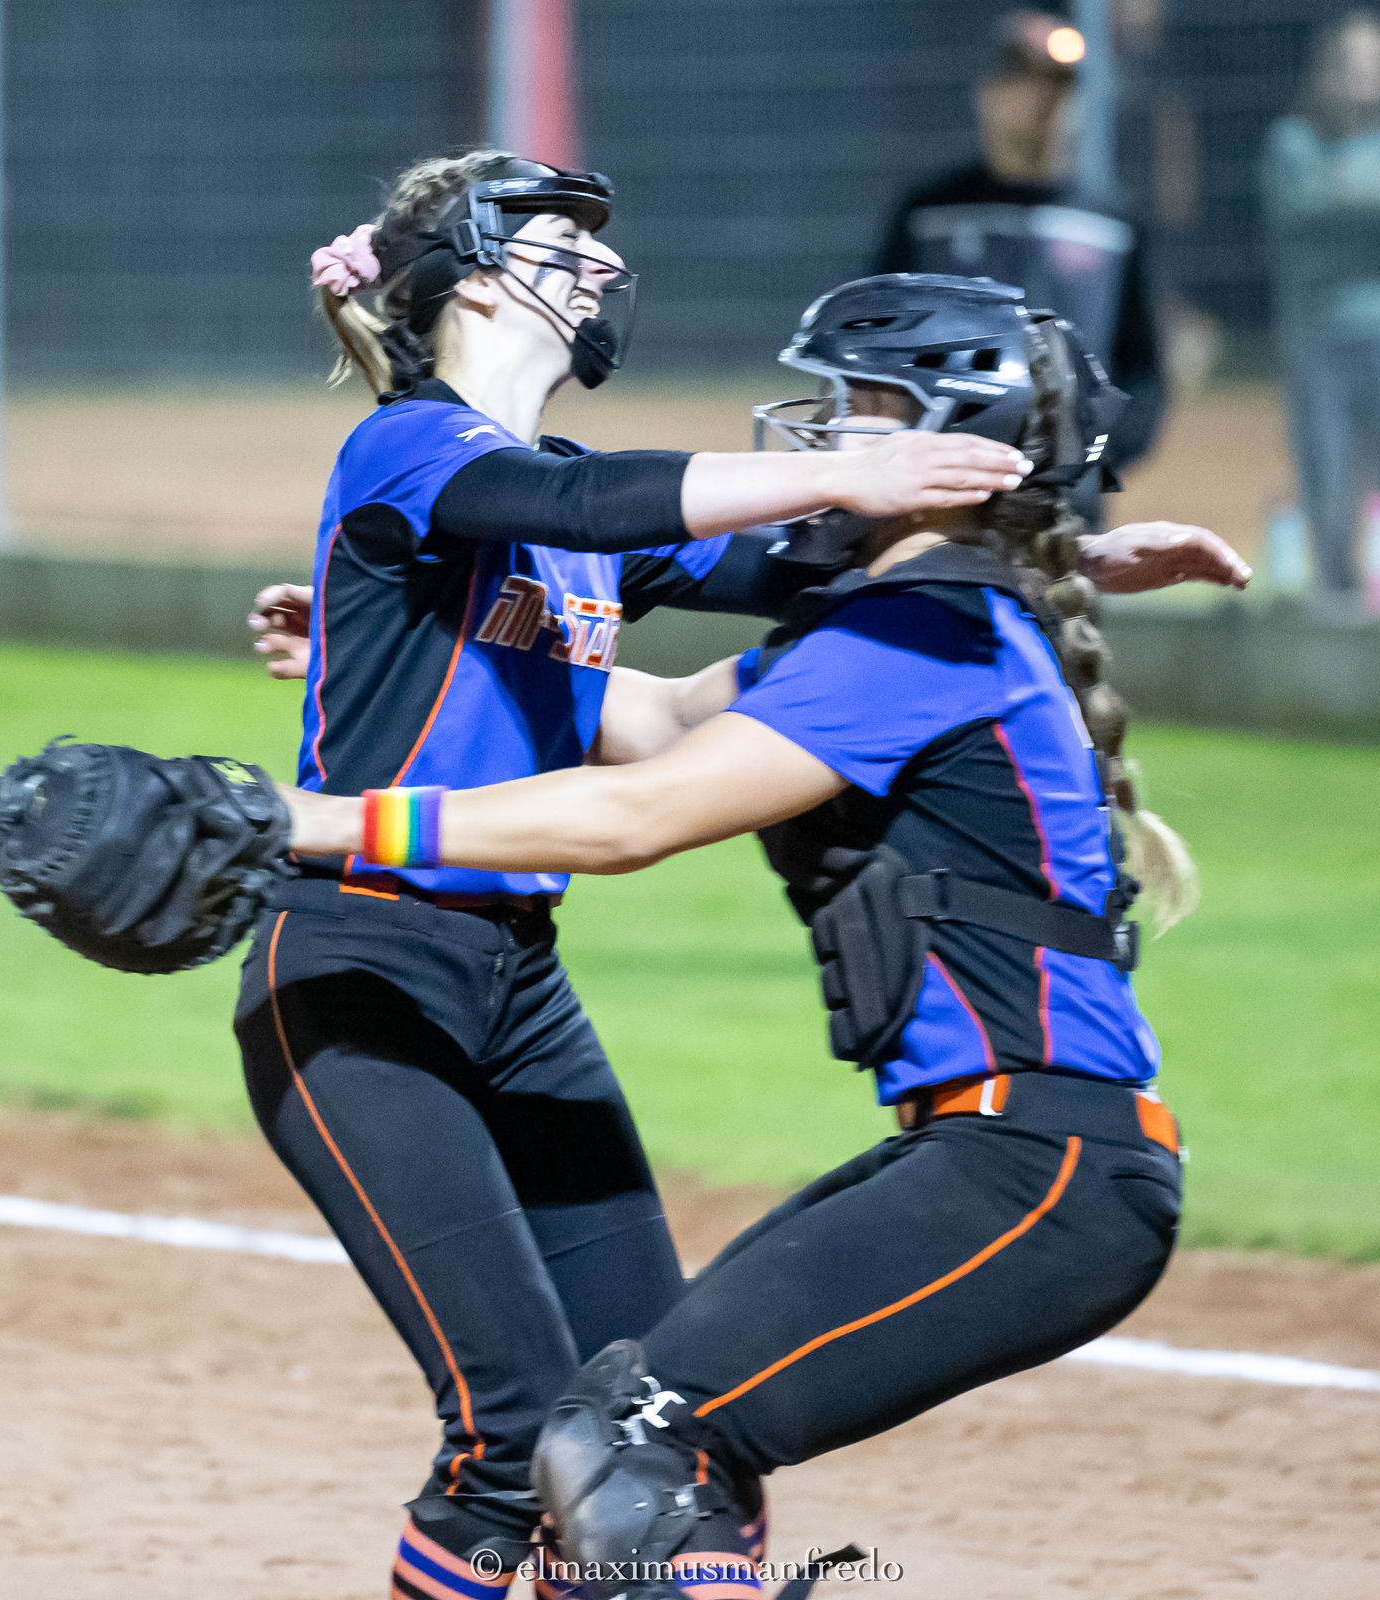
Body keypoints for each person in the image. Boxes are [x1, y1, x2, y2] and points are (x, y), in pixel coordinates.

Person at [279, 274, 1249, 1597]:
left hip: (1039, 1170)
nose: (819, 433)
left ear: (947, 445)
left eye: (859, 410)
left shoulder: (923, 635)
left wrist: (310, 822)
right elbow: (664, 721)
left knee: (639, 1447)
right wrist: (414, 627)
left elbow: (635, 815)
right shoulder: (903, 626)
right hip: (1005, 1154)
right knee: (609, 1439)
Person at [234, 149, 1036, 1599]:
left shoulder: (560, 506)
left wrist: (1081, 560)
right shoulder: (410, 449)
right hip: (358, 969)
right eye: (565, 244)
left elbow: (836, 577)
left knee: (642, 1421)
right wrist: (849, 460)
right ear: (475, 271)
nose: (604, 267)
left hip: (515, 984)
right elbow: (610, 503)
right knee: (508, 1430)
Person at [875, 9, 1166, 495]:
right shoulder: (929, 216)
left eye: (1059, 83)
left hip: (1065, 506)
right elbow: (879, 341)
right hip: (943, 495)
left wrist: (1090, 456)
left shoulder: (1112, 227)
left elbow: (1143, 372)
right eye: (1022, 79)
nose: (1042, 98)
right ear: (985, 91)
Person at [1263, 11, 1380, 595]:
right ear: (1323, 71)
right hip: (1321, 335)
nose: (1358, 77)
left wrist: (1344, 203)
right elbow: (1298, 223)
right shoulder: (1292, 143)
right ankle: (1336, 612)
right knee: (1328, 484)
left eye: (1370, 64)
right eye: (1346, 64)